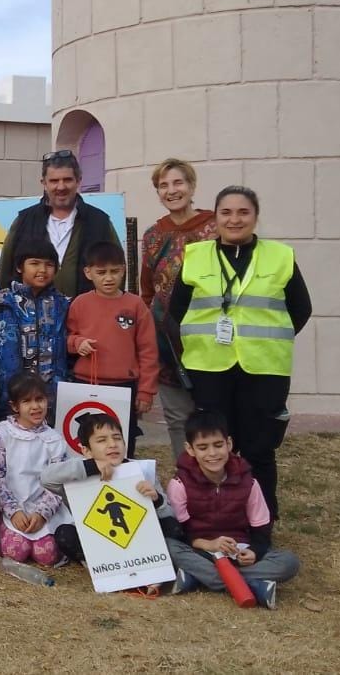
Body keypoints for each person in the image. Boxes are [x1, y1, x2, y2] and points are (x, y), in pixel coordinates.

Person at [170, 186, 311, 518]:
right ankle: (214, 517)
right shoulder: (195, 255)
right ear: (215, 218)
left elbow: (300, 310)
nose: (235, 220)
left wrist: (267, 340)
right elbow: (175, 313)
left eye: (243, 212)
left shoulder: (281, 256)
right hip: (209, 369)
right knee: (214, 448)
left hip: (264, 370)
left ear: (255, 217)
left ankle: (261, 522)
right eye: (226, 213)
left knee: (259, 449)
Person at [164, 410, 301, 609]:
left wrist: (254, 551)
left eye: (218, 445)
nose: (212, 454)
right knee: (168, 547)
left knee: (289, 562)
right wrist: (210, 545)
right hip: (202, 552)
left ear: (228, 444)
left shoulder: (249, 482)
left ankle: (199, 578)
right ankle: (253, 584)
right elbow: (180, 533)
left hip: (239, 552)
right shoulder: (179, 484)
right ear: (190, 449)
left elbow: (262, 530)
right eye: (203, 447)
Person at [138, 158, 219, 462]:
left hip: (211, 341)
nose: (172, 190)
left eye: (178, 183)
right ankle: (186, 484)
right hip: (168, 343)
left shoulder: (215, 226)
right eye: (164, 185)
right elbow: (147, 290)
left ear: (192, 186)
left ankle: (220, 487)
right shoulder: (153, 235)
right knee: (177, 419)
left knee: (214, 416)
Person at [39, 411, 173, 569]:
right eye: (102, 440)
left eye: (117, 438)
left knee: (172, 527)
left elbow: (169, 512)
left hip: (138, 535)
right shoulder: (79, 472)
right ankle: (97, 564)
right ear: (86, 450)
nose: (112, 444)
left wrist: (157, 500)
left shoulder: (141, 470)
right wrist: (90, 466)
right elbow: (47, 478)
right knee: (65, 534)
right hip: (97, 537)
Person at [67, 241, 159, 457]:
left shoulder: (136, 305)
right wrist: (77, 343)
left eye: (114, 271)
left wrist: (146, 390)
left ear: (124, 270)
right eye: (101, 272)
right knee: (86, 441)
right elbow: (67, 337)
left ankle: (124, 485)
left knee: (122, 441)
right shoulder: (79, 304)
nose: (108, 278)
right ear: (88, 273)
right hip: (86, 383)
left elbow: (148, 350)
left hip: (124, 386)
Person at [0, 150, 122, 298]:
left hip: (86, 316)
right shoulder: (24, 220)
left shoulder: (99, 221)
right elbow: (5, 272)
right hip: (31, 316)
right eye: (54, 181)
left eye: (67, 180)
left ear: (79, 180)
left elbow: (117, 268)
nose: (61, 187)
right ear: (44, 183)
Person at [0, 372, 71, 567]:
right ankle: (5, 529)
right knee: (16, 552)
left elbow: (60, 480)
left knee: (47, 556)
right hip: (12, 506)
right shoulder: (1, 433)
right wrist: (13, 511)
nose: (35, 406)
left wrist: (42, 513)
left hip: (42, 506)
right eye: (27, 401)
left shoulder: (54, 439)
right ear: (15, 406)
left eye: (39, 399)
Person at [0, 238, 70, 418]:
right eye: (34, 263)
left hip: (53, 404)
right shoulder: (0, 303)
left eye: (49, 264)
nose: (42, 270)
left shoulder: (64, 305)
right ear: (20, 267)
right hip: (7, 403)